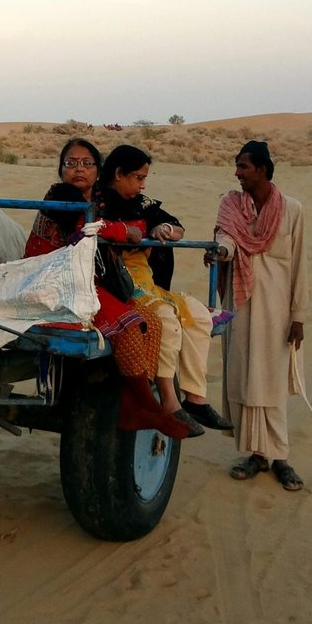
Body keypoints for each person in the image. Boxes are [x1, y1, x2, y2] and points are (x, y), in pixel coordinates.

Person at [26, 138, 192, 440]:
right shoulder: (61, 195)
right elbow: (85, 227)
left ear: (98, 170)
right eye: (71, 163)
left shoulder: (99, 200)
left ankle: (134, 407)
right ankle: (147, 405)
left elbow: (137, 219)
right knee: (129, 326)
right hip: (52, 280)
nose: (79, 170)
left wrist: (147, 228)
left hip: (82, 280)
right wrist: (125, 231)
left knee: (151, 323)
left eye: (87, 163)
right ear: (61, 169)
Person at [97, 144, 231, 436]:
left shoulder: (143, 205)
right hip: (117, 286)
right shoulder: (98, 203)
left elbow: (177, 227)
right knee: (167, 321)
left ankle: (195, 397)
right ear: (118, 174)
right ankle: (169, 400)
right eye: (138, 177)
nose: (142, 184)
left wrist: (166, 231)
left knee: (198, 315)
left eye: (145, 178)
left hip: (148, 282)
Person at [211, 141, 310, 491]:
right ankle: (257, 455)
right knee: (244, 379)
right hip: (240, 307)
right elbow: (225, 239)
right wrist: (219, 252)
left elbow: (300, 265)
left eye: (243, 167)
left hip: (278, 312)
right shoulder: (231, 206)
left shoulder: (293, 211)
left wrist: (298, 316)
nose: (237, 173)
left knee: (271, 383)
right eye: (237, 166)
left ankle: (280, 456)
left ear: (263, 170)